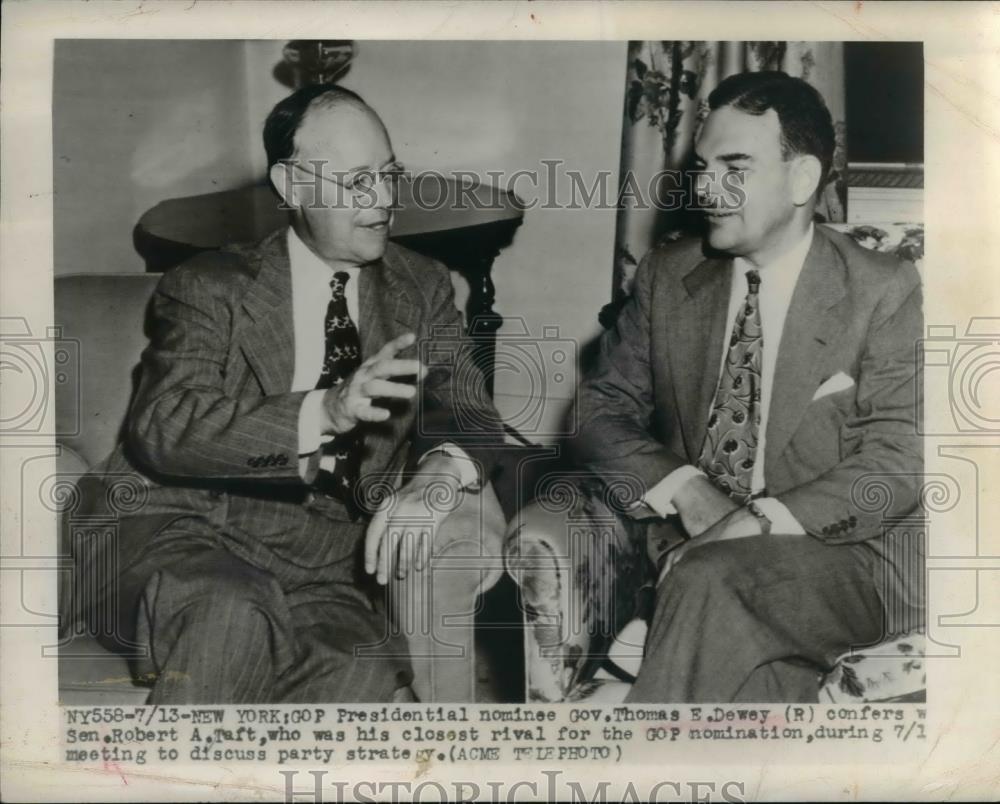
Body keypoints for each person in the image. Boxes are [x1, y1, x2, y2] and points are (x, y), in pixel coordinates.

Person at [67, 84, 504, 704]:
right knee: (231, 612)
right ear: (293, 187)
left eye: (387, 176)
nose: (382, 201)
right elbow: (165, 425)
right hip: (181, 528)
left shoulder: (422, 285)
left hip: (321, 562)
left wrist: (438, 472)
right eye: (356, 183)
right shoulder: (210, 286)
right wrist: (323, 409)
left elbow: (468, 407)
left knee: (364, 683)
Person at [572, 71, 923, 702]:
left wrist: (753, 522)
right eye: (704, 165)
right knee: (757, 683)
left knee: (710, 580)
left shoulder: (883, 291)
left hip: (841, 563)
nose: (707, 187)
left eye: (735, 166)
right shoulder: (669, 275)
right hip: (691, 558)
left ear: (801, 179)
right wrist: (686, 489)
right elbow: (597, 411)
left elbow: (896, 464)